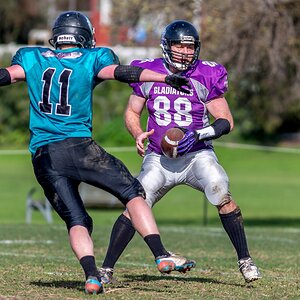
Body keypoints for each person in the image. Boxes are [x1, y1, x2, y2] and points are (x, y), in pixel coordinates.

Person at [0, 12, 195, 295]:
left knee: (77, 220)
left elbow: (6, 76)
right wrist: (165, 77)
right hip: (79, 147)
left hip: (44, 156)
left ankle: (92, 276)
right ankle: (161, 253)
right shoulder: (91, 58)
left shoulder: (33, 58)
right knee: (133, 192)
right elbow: (121, 73)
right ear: (84, 36)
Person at [99, 20, 261, 285]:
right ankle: (106, 269)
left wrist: (199, 134)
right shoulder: (148, 72)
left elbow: (225, 121)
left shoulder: (206, 74)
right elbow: (132, 112)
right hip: (159, 159)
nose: (185, 51)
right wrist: (137, 132)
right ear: (167, 46)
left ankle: (245, 259)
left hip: (197, 155)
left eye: (190, 46)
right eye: (179, 45)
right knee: (135, 203)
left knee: (220, 189)